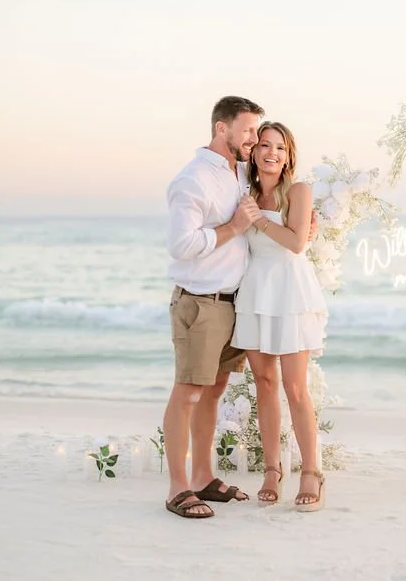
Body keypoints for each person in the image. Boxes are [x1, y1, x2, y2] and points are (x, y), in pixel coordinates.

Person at [162, 95, 265, 519]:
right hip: (201, 303)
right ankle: (177, 488)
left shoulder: (239, 172)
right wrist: (233, 227)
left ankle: (204, 476)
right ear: (221, 128)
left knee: (214, 391)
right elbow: (182, 246)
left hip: (233, 303)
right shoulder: (192, 181)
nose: (254, 139)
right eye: (247, 130)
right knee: (188, 392)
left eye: (257, 130)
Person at [230, 121, 328, 512]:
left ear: (289, 156)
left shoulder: (298, 191)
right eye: (265, 146)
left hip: (290, 293)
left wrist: (260, 220)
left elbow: (297, 242)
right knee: (264, 384)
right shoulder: (245, 193)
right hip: (256, 292)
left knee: (295, 387)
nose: (272, 153)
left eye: (281, 148)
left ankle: (311, 471)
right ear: (253, 152)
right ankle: (272, 470)